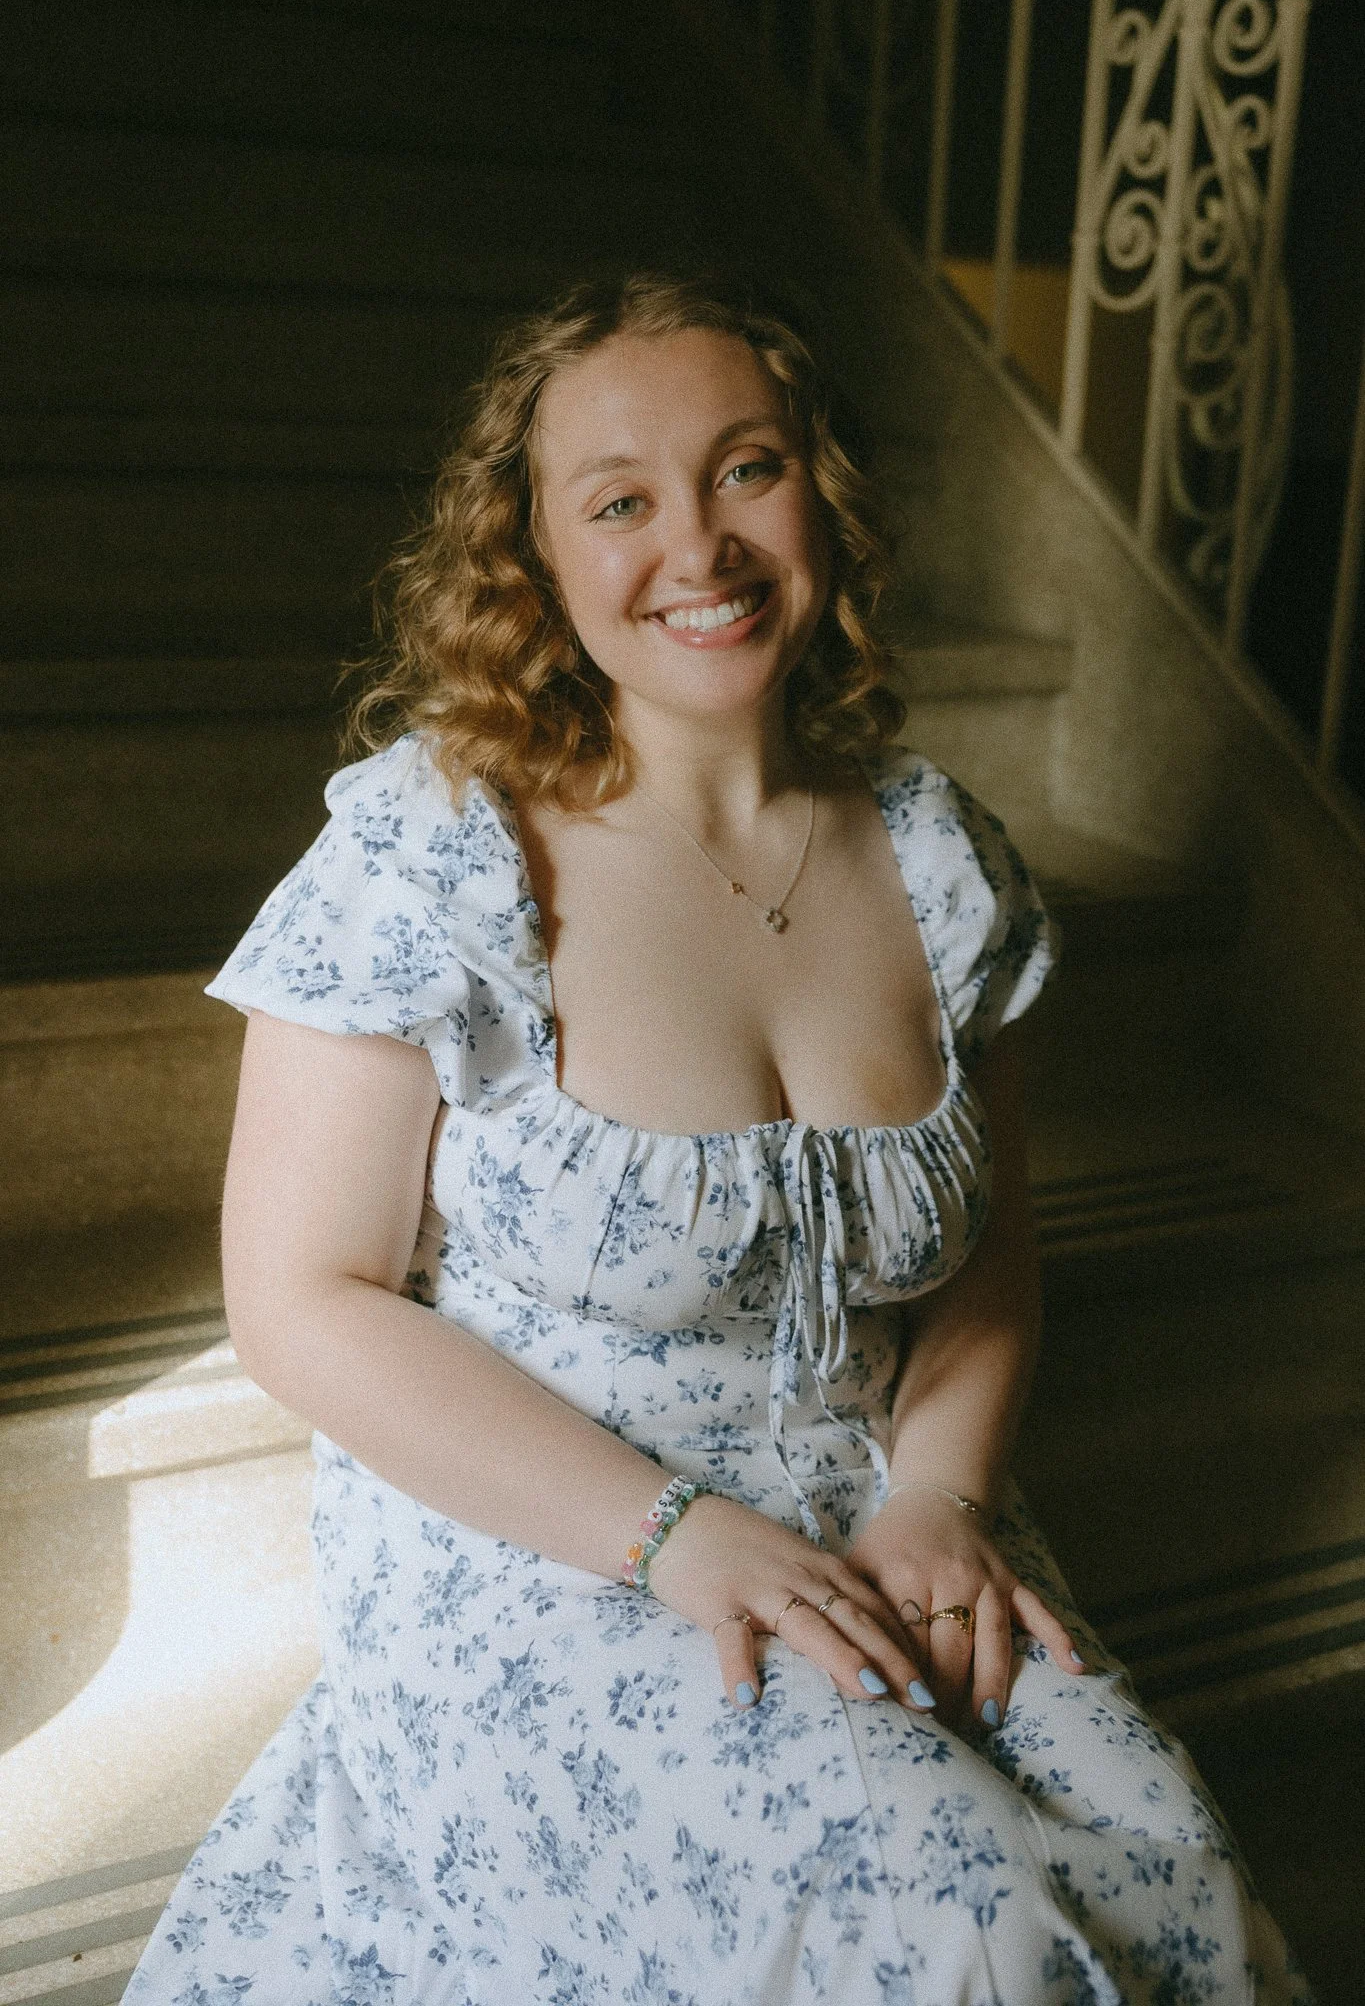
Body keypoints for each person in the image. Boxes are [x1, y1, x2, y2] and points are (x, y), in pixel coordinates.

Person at [126, 272, 1311, 2005]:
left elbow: (990, 1256)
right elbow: (302, 1304)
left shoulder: (941, 859)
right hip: (546, 1536)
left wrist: (942, 1493)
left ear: (822, 492)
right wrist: (675, 1531)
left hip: (878, 1504)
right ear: (532, 555)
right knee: (958, 1930)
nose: (701, 546)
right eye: (620, 501)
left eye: (747, 469)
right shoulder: (429, 856)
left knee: (1177, 1882)